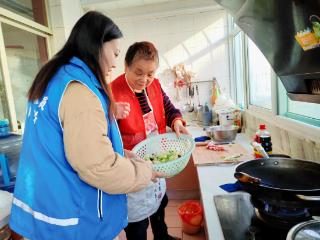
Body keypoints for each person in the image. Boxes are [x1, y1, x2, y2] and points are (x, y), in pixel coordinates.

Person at [9, 12, 161, 240]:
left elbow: (77, 147)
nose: (114, 62)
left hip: (46, 209)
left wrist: (128, 157)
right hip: (71, 219)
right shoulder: (79, 90)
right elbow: (99, 167)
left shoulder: (53, 77)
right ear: (97, 46)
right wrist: (145, 171)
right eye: (115, 53)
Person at [111, 41, 189, 240]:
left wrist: (177, 121)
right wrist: (110, 113)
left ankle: (162, 237)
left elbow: (169, 108)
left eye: (150, 74)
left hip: (156, 155)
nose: (144, 79)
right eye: (138, 72)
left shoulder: (154, 85)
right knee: (137, 221)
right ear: (126, 66)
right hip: (132, 166)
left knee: (160, 202)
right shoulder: (112, 93)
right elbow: (102, 135)